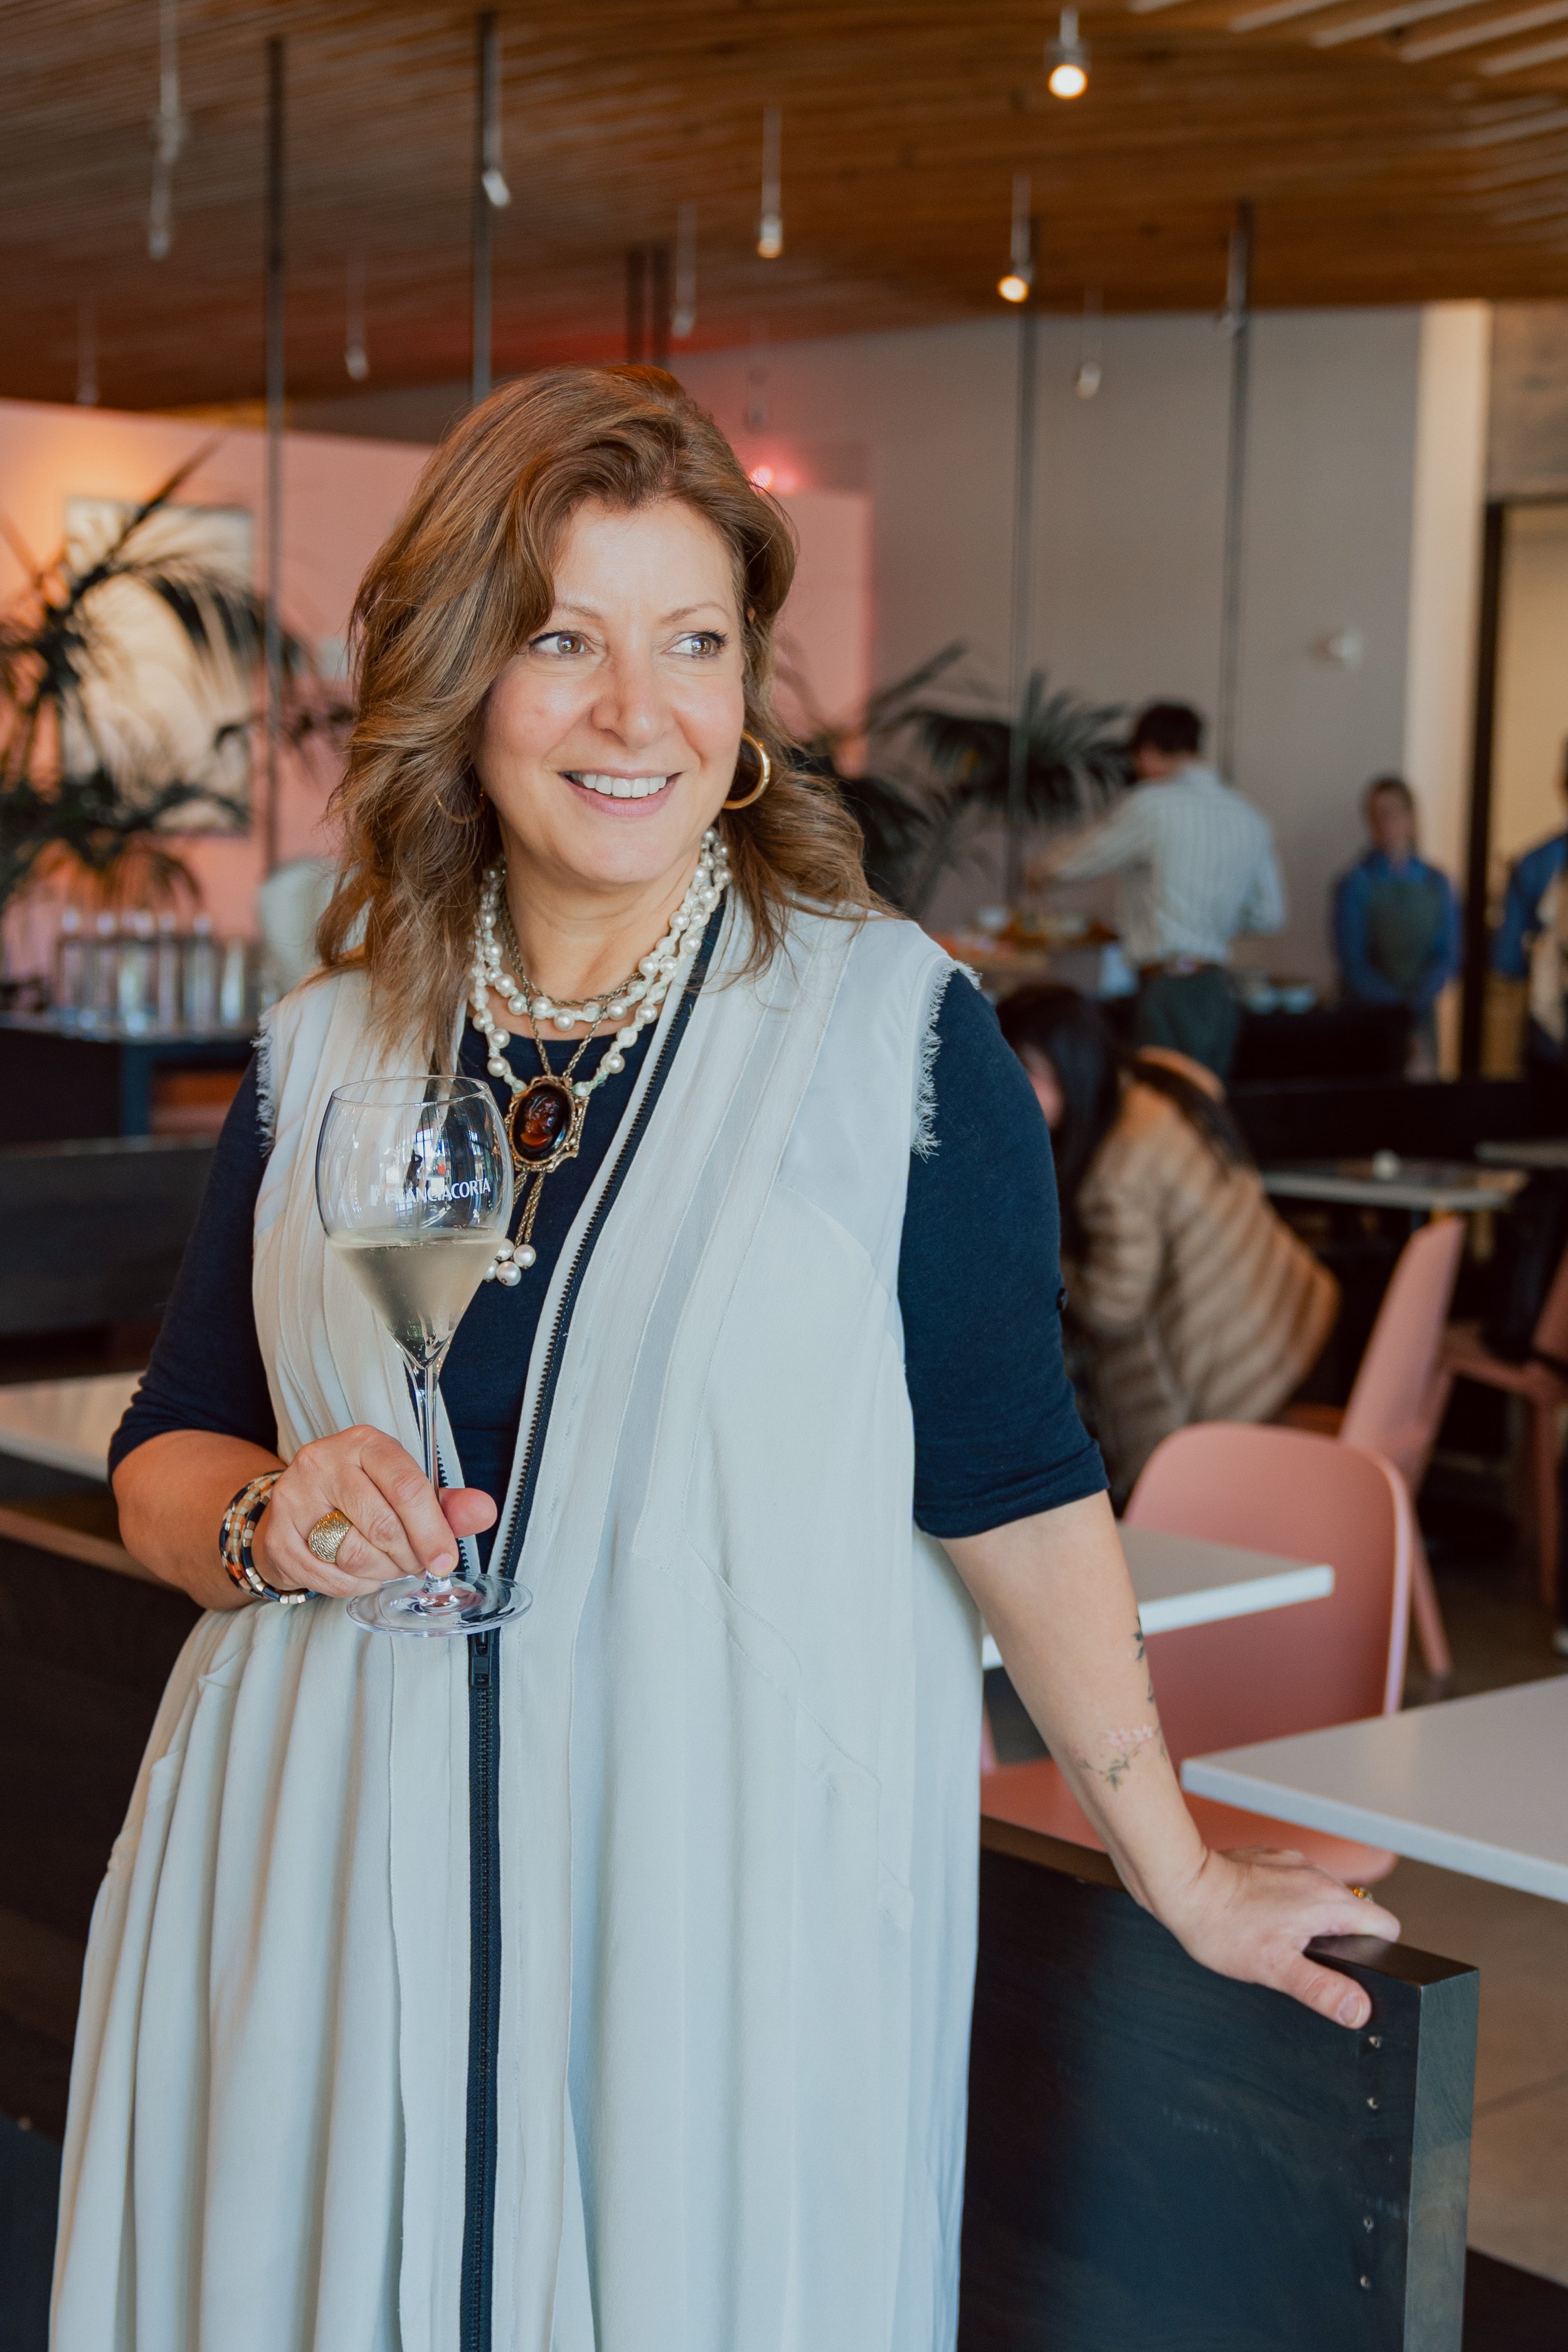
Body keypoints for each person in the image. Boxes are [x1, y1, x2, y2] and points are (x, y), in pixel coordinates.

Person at [56, 368, 1395, 2352]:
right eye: (565, 640)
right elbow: (173, 1442)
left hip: (715, 1903)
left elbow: (1013, 1475)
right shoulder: (327, 1044)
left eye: (694, 644)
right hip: (318, 1874)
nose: (639, 710)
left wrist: (1175, 1863)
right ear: (460, 674)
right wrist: (263, 1512)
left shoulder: (885, 1039)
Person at [999, 983, 1338, 1496]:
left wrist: (1044, 1255)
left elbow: (1115, 1305)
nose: (1008, 1092)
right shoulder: (1163, 1079)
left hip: (1234, 1391)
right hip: (1289, 1323)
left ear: (1069, 1065)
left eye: (1022, 1070)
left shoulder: (1117, 1166)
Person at [1032, 701, 1285, 1079]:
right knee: (1204, 1114)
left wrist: (1038, 870)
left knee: (1159, 1107)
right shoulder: (1248, 815)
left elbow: (1075, 862)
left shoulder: (1154, 805)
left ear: (1148, 752)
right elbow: (1269, 914)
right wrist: (1211, 921)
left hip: (1167, 988)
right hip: (1218, 989)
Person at [1332, 775, 1460, 1073]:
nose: (1384, 823)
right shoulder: (1356, 884)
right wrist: (1395, 1008)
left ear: (1411, 818)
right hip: (1370, 1016)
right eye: (1375, 815)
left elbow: (1448, 955)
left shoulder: (1436, 883)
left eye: (1392, 813)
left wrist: (1415, 1005)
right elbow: (1353, 960)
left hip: (1421, 1015)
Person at [1494, 741, 1568, 1128]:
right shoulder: (1537, 865)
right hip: (1549, 1035)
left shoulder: (1535, 862)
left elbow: (1507, 959)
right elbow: (1505, 958)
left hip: (1547, 1037)